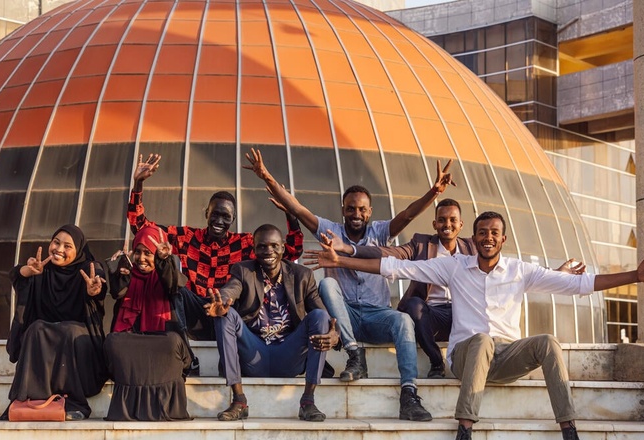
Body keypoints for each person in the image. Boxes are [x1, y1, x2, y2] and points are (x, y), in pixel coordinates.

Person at [304, 210, 644, 440]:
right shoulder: (455, 266)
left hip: (506, 358)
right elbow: (394, 268)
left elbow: (579, 285)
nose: (488, 237)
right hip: (465, 355)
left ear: (503, 239)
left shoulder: (520, 271)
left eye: (494, 232)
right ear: (473, 239)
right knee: (480, 340)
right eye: (482, 233)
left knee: (549, 342)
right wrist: (344, 257)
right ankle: (463, 438)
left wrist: (637, 276)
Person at [244, 148, 455, 421]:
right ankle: (355, 355)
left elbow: (407, 215)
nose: (356, 213)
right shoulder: (330, 230)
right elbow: (298, 208)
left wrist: (433, 192)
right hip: (346, 319)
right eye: (351, 208)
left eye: (361, 209)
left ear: (370, 212)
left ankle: (409, 394)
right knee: (327, 286)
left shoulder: (380, 232)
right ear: (343, 210)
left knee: (403, 320)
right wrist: (266, 177)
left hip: (378, 315)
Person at [327, 198, 584, 379]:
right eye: (441, 220)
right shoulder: (420, 245)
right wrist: (349, 251)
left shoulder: (477, 250)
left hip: (465, 318)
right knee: (414, 307)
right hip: (434, 316)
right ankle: (436, 362)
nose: (447, 224)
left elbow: (517, 278)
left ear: (461, 227)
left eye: (452, 220)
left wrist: (558, 274)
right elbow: (387, 255)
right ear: (435, 224)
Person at [127, 153, 304, 343]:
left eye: (226, 217)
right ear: (207, 213)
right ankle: (182, 349)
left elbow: (292, 250)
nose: (219, 221)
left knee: (247, 289)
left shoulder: (244, 243)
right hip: (195, 314)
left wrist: (291, 214)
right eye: (215, 214)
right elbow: (142, 229)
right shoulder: (187, 237)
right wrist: (138, 184)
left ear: (233, 220)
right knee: (176, 288)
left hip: (227, 314)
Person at [204, 224, 339, 422]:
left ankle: (308, 401)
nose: (269, 251)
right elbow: (231, 288)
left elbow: (324, 315)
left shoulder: (302, 275)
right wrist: (222, 301)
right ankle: (239, 400)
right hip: (253, 353)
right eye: (262, 246)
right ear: (254, 249)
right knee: (225, 315)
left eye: (274, 246)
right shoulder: (243, 270)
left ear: (283, 248)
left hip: (288, 354)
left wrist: (334, 333)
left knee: (319, 316)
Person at [2, 225, 108, 421]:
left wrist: (95, 288)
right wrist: (28, 271)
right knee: (35, 329)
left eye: (67, 246)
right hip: (45, 333)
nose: (59, 249)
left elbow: (98, 280)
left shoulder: (87, 268)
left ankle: (72, 401)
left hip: (79, 339)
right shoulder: (41, 269)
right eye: (56, 242)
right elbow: (16, 275)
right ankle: (31, 401)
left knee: (69, 331)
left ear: (78, 251)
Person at [103, 225, 192, 421]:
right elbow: (117, 293)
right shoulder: (128, 273)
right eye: (138, 252)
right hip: (135, 351)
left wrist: (164, 260)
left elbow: (174, 283)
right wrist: (119, 274)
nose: (142, 259)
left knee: (172, 341)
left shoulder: (167, 272)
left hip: (160, 348)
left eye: (148, 253)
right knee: (112, 341)